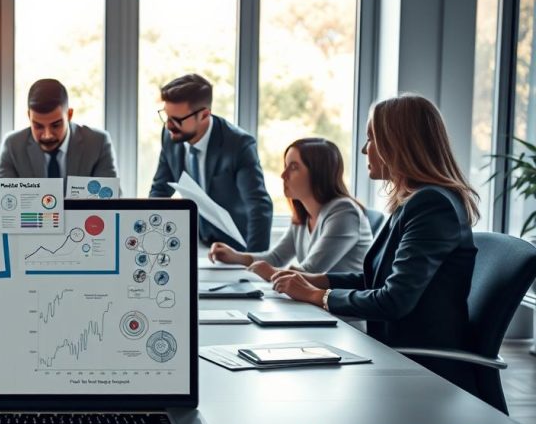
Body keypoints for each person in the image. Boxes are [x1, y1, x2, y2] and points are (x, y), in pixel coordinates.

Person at [270, 94, 480, 394]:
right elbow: (379, 279)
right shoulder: (413, 202)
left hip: (422, 370)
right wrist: (320, 279)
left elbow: (393, 300)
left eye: (372, 139)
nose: (364, 149)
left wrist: (319, 295)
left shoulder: (432, 205)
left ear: (398, 144)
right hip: (394, 352)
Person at [208, 138, 372, 280]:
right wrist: (235, 257)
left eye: (293, 167)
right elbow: (276, 257)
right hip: (318, 308)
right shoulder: (303, 214)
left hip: (343, 314)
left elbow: (310, 272)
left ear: (318, 173)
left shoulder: (344, 212)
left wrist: (269, 272)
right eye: (285, 165)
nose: (283, 174)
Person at [148, 73, 272, 251]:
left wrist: (253, 263)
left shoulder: (239, 145)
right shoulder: (170, 136)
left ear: (204, 115)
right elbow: (160, 190)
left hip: (236, 249)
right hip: (196, 244)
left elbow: (259, 206)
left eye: (177, 119)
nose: (168, 125)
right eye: (166, 116)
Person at [0, 78, 117, 181]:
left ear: (69, 115)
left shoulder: (98, 144)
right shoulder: (13, 145)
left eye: (56, 125)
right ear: (29, 116)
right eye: (38, 126)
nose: (47, 135)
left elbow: (112, 201)